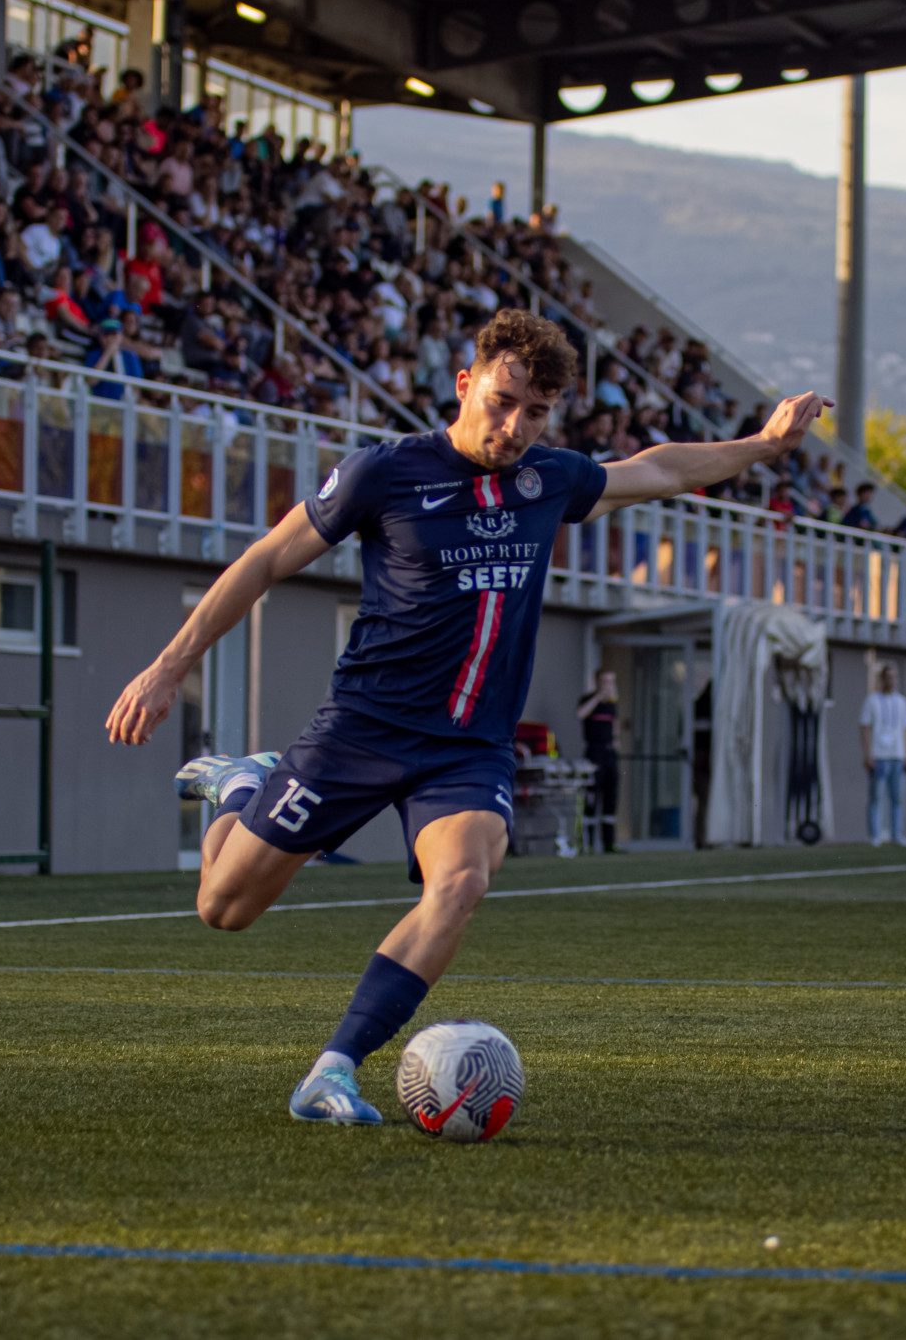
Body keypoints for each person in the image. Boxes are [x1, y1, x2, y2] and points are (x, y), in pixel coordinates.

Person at [106, 309, 829, 1127]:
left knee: (464, 880)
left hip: (468, 749)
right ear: (465, 384)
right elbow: (268, 557)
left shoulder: (548, 479)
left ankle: (333, 1069)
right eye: (502, 401)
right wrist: (171, 666)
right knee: (222, 907)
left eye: (537, 413)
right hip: (362, 730)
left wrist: (764, 447)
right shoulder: (386, 473)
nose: (515, 426)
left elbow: (656, 470)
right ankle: (245, 787)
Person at [859, 662, 906, 846]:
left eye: (895, 677)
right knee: (876, 797)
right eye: (888, 677)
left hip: (897, 755)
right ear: (882, 679)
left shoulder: (902, 702)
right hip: (879, 755)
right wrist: (867, 754)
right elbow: (864, 728)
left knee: (898, 798)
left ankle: (897, 834)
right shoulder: (872, 700)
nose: (892, 681)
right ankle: (875, 835)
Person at [575, 668, 620, 852]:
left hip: (610, 754)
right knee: (592, 796)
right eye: (604, 681)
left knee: (611, 797)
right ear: (597, 681)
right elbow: (580, 714)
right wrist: (597, 697)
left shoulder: (612, 704)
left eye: (611, 682)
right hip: (594, 753)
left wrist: (617, 741)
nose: (607, 686)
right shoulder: (588, 700)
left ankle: (609, 844)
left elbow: (614, 723)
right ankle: (589, 844)